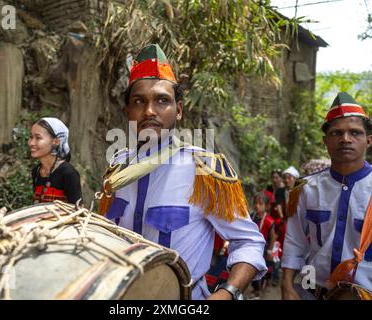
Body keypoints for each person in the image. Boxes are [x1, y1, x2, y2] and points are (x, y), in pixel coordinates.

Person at [98, 44, 267, 300]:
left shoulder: (204, 171)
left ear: (178, 110)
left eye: (162, 100)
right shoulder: (118, 168)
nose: (149, 111)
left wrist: (228, 292)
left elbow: (250, 242)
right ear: (128, 112)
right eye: (138, 101)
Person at [281, 92, 372, 300]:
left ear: (368, 140)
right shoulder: (306, 188)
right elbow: (295, 242)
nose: (345, 139)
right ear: (325, 141)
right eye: (336, 133)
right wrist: (287, 286)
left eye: (355, 133)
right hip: (312, 292)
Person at [28, 117, 82, 206]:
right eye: (31, 137)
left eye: (38, 138)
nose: (31, 143)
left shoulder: (68, 173)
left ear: (56, 142)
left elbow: (79, 211)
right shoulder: (36, 171)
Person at [250, 193, 278, 298]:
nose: (257, 206)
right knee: (253, 269)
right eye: (255, 203)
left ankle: (265, 285)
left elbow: (273, 237)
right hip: (253, 248)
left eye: (260, 204)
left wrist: (270, 251)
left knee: (264, 269)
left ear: (266, 206)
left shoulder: (269, 221)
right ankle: (256, 289)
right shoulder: (251, 217)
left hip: (264, 249)